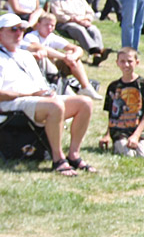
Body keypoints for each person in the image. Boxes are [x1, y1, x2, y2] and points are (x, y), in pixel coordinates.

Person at [0, 12, 95, 176]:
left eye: (21, 29)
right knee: (55, 105)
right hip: (12, 103)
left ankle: (73, 154)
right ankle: (58, 159)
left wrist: (46, 92)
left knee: (85, 103)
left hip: (37, 99)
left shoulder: (26, 56)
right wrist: (29, 94)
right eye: (13, 29)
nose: (18, 33)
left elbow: (40, 85)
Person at [22, 12, 104, 100]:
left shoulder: (52, 37)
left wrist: (73, 56)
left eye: (52, 25)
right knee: (45, 56)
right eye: (46, 25)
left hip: (52, 69)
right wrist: (64, 57)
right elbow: (41, 48)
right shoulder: (31, 36)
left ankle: (86, 87)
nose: (49, 28)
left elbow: (77, 48)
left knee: (75, 60)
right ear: (38, 25)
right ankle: (64, 89)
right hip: (37, 69)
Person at [98, 47, 144, 158]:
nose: (126, 65)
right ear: (117, 63)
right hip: (120, 131)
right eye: (122, 61)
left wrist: (136, 135)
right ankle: (117, 145)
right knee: (128, 154)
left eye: (130, 61)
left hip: (139, 130)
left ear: (137, 62)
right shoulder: (113, 87)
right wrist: (107, 135)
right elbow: (112, 115)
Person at [51, 0, 111, 65]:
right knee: (79, 29)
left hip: (83, 21)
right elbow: (58, 15)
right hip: (66, 24)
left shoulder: (80, 0)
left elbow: (90, 13)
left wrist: (84, 19)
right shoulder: (56, 0)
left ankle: (99, 54)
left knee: (93, 29)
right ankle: (95, 51)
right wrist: (74, 20)